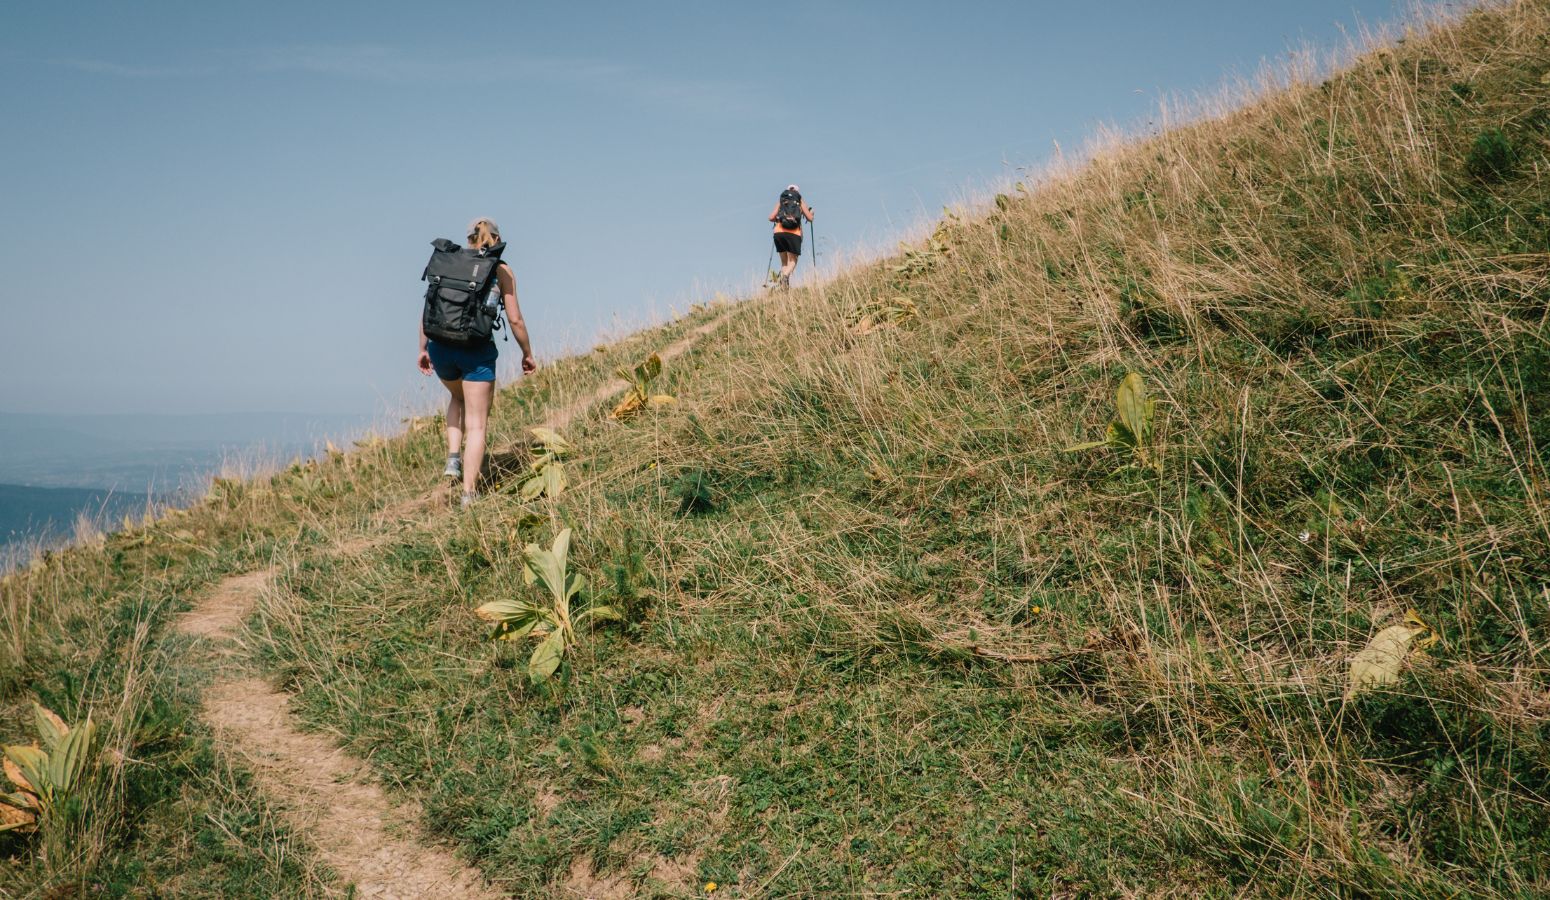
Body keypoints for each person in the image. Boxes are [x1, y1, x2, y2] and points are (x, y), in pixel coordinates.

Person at [417, 218, 536, 508]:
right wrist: (527, 353)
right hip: (475, 351)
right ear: (496, 238)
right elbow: (515, 319)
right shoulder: (501, 269)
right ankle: (469, 494)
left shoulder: (449, 261)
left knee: (457, 396)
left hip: (441, 347)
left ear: (469, 237)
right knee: (478, 424)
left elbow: (429, 306)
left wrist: (423, 348)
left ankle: (453, 458)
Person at [768, 184, 814, 288]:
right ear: (797, 192)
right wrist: (812, 213)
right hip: (794, 233)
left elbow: (771, 217)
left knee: (784, 263)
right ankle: (785, 276)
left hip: (779, 233)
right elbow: (810, 218)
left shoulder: (782, 199)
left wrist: (779, 219)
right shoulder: (799, 199)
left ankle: (784, 289)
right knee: (793, 260)